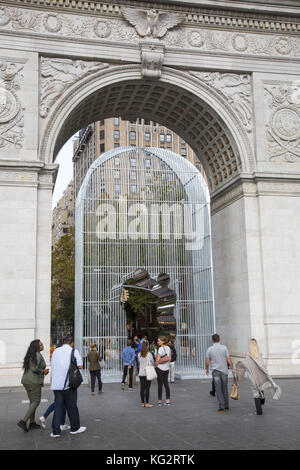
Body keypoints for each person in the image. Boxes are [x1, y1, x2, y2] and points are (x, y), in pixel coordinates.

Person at [50, 335, 86, 438]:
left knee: (58, 407)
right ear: (72, 343)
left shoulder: (56, 351)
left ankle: (55, 432)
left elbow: (53, 364)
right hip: (68, 384)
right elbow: (80, 365)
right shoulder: (73, 351)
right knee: (72, 406)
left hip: (56, 384)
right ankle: (75, 428)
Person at [18, 339, 49, 432]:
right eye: (41, 345)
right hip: (33, 382)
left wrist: (42, 371)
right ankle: (23, 421)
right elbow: (34, 368)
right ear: (36, 346)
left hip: (28, 381)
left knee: (32, 402)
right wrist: (43, 371)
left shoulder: (32, 355)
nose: (42, 345)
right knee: (36, 401)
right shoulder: (37, 355)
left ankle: (31, 423)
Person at [245, 338, 281, 415]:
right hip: (260, 376)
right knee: (260, 387)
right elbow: (262, 365)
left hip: (253, 376)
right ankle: (262, 398)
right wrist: (266, 373)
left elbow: (248, 367)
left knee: (255, 393)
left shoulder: (247, 355)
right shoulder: (259, 353)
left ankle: (259, 411)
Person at [205, 334, 235, 412]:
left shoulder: (210, 349)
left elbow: (207, 360)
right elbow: (228, 359)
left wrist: (206, 369)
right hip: (224, 370)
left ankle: (221, 407)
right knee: (224, 388)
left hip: (215, 371)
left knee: (218, 389)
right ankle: (226, 406)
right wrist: (232, 368)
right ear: (219, 339)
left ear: (212, 340)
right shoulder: (224, 348)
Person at [155, 336, 171, 406]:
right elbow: (169, 358)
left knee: (160, 385)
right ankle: (168, 400)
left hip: (160, 369)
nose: (158, 342)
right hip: (166, 368)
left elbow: (157, 360)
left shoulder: (160, 349)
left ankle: (159, 401)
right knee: (166, 384)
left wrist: (156, 364)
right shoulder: (168, 348)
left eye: (159, 341)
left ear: (163, 341)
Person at [138, 340, 154, 408]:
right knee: (147, 388)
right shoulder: (149, 354)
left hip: (141, 372)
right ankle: (147, 403)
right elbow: (152, 362)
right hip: (148, 372)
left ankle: (142, 403)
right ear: (147, 346)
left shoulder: (139, 354)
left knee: (142, 388)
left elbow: (139, 362)